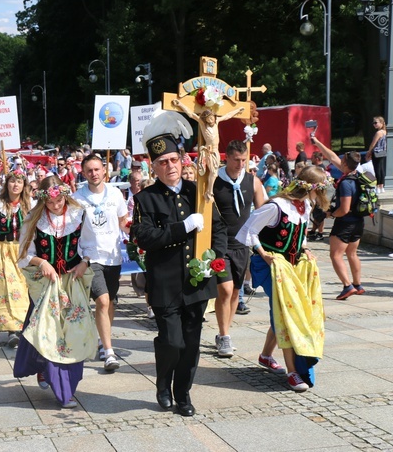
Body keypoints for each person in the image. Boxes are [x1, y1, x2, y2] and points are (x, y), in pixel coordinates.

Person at [130, 110, 227, 417]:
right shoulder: (146, 199)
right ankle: (163, 381)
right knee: (171, 341)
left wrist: (217, 259)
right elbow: (144, 237)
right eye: (162, 163)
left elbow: (220, 228)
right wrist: (183, 227)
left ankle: (182, 393)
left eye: (173, 160)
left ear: (182, 159)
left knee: (191, 343)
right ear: (153, 166)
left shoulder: (198, 192)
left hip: (197, 282)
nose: (169, 167)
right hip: (166, 283)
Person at [236, 166, 330, 392]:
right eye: (322, 188)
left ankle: (266, 355)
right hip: (270, 266)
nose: (323, 194)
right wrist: (263, 253)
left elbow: (301, 234)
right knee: (285, 315)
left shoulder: (306, 204)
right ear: (311, 187)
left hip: (291, 266)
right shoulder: (276, 206)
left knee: (282, 312)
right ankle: (292, 372)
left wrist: (304, 249)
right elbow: (248, 230)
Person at [14, 176, 96, 409]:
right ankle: (53, 379)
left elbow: (90, 247)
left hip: (71, 283)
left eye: (59, 200)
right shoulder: (33, 219)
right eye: (50, 203)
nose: (56, 205)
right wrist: (42, 263)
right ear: (43, 201)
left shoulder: (79, 214)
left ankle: (66, 385)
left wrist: (84, 263)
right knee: (47, 332)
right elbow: (24, 254)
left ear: (65, 195)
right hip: (45, 285)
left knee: (72, 334)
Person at [73, 154, 129, 372]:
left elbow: (124, 222)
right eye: (89, 170)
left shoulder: (115, 194)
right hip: (90, 257)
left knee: (110, 302)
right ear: (84, 172)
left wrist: (137, 233)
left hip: (113, 256)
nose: (94, 174)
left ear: (104, 171)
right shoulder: (78, 198)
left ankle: (102, 340)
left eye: (97, 169)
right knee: (103, 302)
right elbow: (72, 229)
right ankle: (109, 352)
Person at [212, 140, 267, 357]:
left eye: (244, 160)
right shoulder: (215, 180)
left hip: (242, 244)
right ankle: (225, 336)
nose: (240, 164)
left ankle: (224, 331)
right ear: (227, 157)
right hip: (220, 243)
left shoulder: (252, 181)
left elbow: (264, 211)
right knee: (224, 289)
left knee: (236, 291)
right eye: (236, 160)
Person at [311, 137, 367, 300]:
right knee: (352, 253)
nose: (339, 160)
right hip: (358, 222)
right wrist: (317, 142)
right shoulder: (359, 175)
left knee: (335, 255)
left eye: (341, 160)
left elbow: (344, 209)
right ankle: (358, 285)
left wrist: (331, 214)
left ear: (344, 164)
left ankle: (347, 286)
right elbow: (332, 156)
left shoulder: (345, 183)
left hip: (345, 223)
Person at [0, 171, 32, 347]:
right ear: (7, 185)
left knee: (23, 288)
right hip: (4, 249)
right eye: (12, 181)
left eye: (19, 182)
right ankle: (12, 330)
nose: (15, 185)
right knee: (7, 288)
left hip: (23, 251)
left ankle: (24, 327)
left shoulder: (29, 204)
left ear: (23, 185)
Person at [170, 99, 244, 201]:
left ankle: (209, 191)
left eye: (212, 118)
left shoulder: (217, 122)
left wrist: (237, 110)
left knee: (214, 173)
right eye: (208, 119)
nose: (211, 120)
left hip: (215, 151)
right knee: (213, 172)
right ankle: (209, 192)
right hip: (208, 151)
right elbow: (191, 114)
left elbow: (227, 116)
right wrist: (181, 104)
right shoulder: (202, 124)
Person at [366, 116, 388, 193]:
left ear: (381, 123)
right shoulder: (385, 132)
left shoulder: (378, 133)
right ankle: (381, 186)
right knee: (381, 169)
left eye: (376, 122)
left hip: (377, 152)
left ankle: (378, 186)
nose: (374, 124)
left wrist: (369, 151)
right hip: (383, 152)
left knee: (377, 169)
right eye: (373, 123)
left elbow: (373, 143)